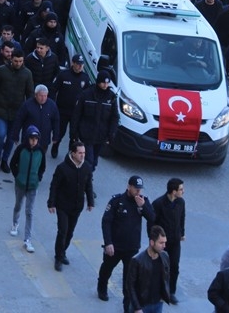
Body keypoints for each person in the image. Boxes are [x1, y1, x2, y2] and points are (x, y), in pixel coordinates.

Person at [98, 175, 156, 305]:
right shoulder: (117, 200)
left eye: (140, 189)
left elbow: (152, 218)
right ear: (129, 187)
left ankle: (127, 302)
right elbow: (106, 222)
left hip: (132, 247)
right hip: (115, 246)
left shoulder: (143, 201)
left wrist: (142, 207)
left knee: (129, 278)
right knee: (107, 268)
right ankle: (102, 287)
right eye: (136, 188)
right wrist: (108, 243)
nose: (138, 192)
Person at [48, 140, 95, 271]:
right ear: (73, 153)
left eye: (84, 153)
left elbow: (88, 185)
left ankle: (63, 252)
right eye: (80, 153)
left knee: (70, 232)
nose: (82, 155)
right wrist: (51, 203)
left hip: (77, 206)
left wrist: (90, 202)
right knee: (62, 231)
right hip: (63, 206)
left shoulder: (86, 167)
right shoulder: (62, 168)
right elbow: (54, 186)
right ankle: (58, 257)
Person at [0, 49, 34, 174]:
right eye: (16, 61)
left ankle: (5, 160)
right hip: (1, 109)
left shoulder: (27, 73)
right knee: (1, 135)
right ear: (11, 59)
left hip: (17, 112)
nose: (18, 63)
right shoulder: (2, 70)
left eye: (20, 61)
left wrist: (29, 112)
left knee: (11, 139)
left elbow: (30, 94)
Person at [9, 125, 46, 253]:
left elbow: (42, 167)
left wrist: (38, 178)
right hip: (20, 184)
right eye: (31, 138)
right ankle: (15, 223)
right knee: (18, 205)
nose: (33, 141)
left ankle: (27, 239)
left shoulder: (40, 151)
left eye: (36, 139)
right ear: (27, 138)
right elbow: (12, 163)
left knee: (29, 212)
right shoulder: (21, 149)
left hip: (32, 186)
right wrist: (17, 176)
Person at [71, 70, 118, 171]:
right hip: (86, 134)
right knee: (89, 160)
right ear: (98, 82)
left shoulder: (111, 97)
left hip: (101, 135)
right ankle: (86, 179)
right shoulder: (86, 94)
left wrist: (111, 134)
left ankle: (86, 175)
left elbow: (114, 117)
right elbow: (77, 114)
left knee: (94, 160)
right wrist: (73, 132)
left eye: (107, 83)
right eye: (103, 82)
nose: (105, 85)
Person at [151, 178, 186, 304]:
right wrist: (154, 240)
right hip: (162, 243)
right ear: (173, 191)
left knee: (174, 266)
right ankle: (157, 290)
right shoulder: (158, 204)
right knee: (159, 266)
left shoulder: (181, 202)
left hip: (175, 241)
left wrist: (182, 233)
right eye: (181, 189)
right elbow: (152, 223)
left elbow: (182, 218)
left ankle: (171, 292)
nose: (183, 191)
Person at [49, 54, 88, 158]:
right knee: (60, 132)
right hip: (62, 110)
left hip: (76, 113)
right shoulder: (63, 75)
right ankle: (55, 146)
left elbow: (87, 95)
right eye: (78, 64)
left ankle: (71, 154)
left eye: (82, 64)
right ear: (73, 63)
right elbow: (53, 89)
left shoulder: (85, 78)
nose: (80, 66)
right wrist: (52, 105)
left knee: (74, 135)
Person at [126, 225, 171, 313]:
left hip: (158, 304)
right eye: (161, 243)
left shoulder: (165, 256)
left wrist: (164, 296)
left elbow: (167, 277)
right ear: (152, 242)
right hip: (142, 306)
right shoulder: (137, 261)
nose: (164, 246)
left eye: (165, 242)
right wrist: (137, 308)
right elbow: (130, 286)